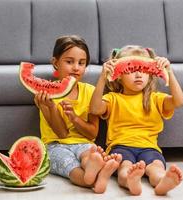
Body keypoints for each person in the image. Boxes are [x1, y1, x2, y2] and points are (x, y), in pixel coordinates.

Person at [90, 45, 183, 195]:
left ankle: (162, 182)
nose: (139, 74)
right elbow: (95, 109)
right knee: (124, 167)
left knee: (156, 167)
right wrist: (102, 77)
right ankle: (130, 180)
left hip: (149, 148)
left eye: (144, 70)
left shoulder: (155, 99)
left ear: (151, 74)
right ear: (118, 75)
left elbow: (179, 101)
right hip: (120, 146)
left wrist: (169, 72)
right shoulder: (113, 99)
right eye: (131, 69)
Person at [34, 35, 121, 193]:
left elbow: (92, 133)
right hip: (54, 146)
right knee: (71, 168)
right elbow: (61, 133)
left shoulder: (90, 92)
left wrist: (74, 118)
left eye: (81, 63)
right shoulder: (45, 95)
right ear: (55, 63)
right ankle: (92, 179)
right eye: (69, 62)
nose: (76, 67)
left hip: (84, 143)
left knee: (89, 156)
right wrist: (51, 107)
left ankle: (93, 169)